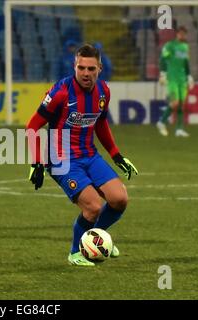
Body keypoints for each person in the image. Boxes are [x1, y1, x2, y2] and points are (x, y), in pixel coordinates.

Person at [26, 44, 138, 267]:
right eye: (81, 68)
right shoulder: (60, 92)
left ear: (100, 69)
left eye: (91, 69)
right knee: (93, 207)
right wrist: (36, 162)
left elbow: (101, 123)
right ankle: (75, 252)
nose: (85, 73)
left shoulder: (103, 91)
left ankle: (96, 240)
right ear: (74, 66)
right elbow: (32, 125)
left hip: (89, 155)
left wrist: (117, 155)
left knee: (119, 199)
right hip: (61, 158)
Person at [156, 26, 194, 137]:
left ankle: (179, 129)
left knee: (181, 104)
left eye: (184, 34)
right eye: (180, 33)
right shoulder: (170, 46)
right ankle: (161, 122)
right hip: (172, 78)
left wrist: (189, 76)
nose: (182, 35)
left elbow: (186, 63)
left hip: (182, 79)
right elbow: (163, 59)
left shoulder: (185, 46)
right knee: (175, 103)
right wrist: (163, 73)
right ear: (177, 34)